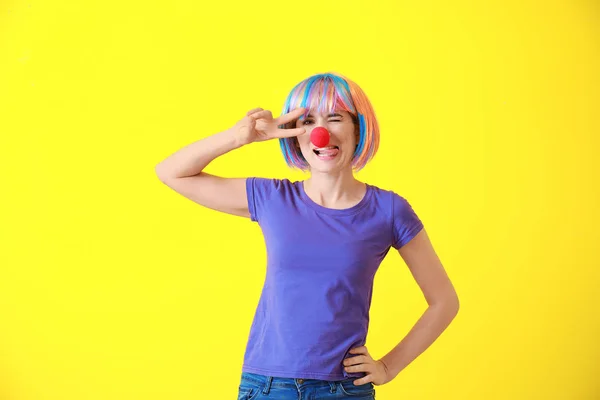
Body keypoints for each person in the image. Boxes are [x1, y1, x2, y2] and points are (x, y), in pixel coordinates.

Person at [155, 72, 459, 400]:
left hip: (343, 389)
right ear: (294, 135)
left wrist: (388, 366)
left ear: (358, 128)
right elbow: (171, 172)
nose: (320, 133)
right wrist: (238, 137)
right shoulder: (272, 198)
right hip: (268, 386)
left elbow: (444, 302)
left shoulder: (389, 210)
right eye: (309, 121)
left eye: (335, 117)